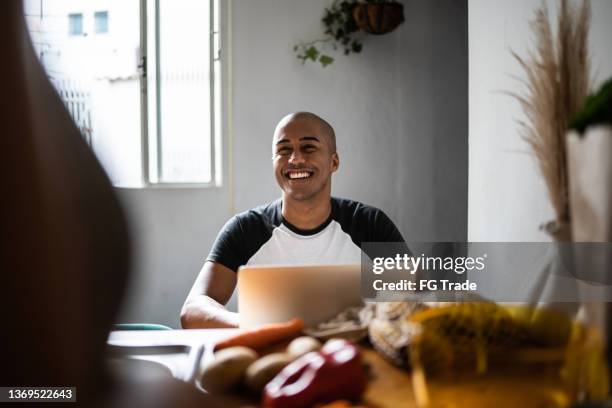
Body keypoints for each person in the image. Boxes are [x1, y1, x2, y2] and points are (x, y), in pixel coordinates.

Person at [180, 112, 405, 328]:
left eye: (308, 147)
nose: (295, 159)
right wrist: (253, 325)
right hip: (272, 353)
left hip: (352, 353)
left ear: (334, 162)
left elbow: (418, 298)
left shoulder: (370, 223)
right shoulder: (244, 229)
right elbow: (192, 310)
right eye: (284, 150)